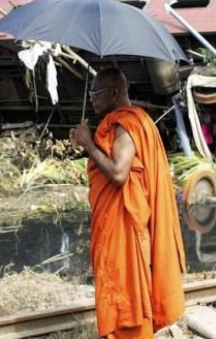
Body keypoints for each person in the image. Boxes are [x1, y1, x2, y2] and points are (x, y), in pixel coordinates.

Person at [69, 67, 186, 338]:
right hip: (121, 221)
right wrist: (86, 141)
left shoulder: (126, 124)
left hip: (125, 226)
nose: (92, 99)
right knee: (125, 290)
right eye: (91, 93)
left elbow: (119, 173)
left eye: (96, 93)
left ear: (114, 92)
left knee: (125, 292)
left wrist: (89, 145)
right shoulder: (127, 122)